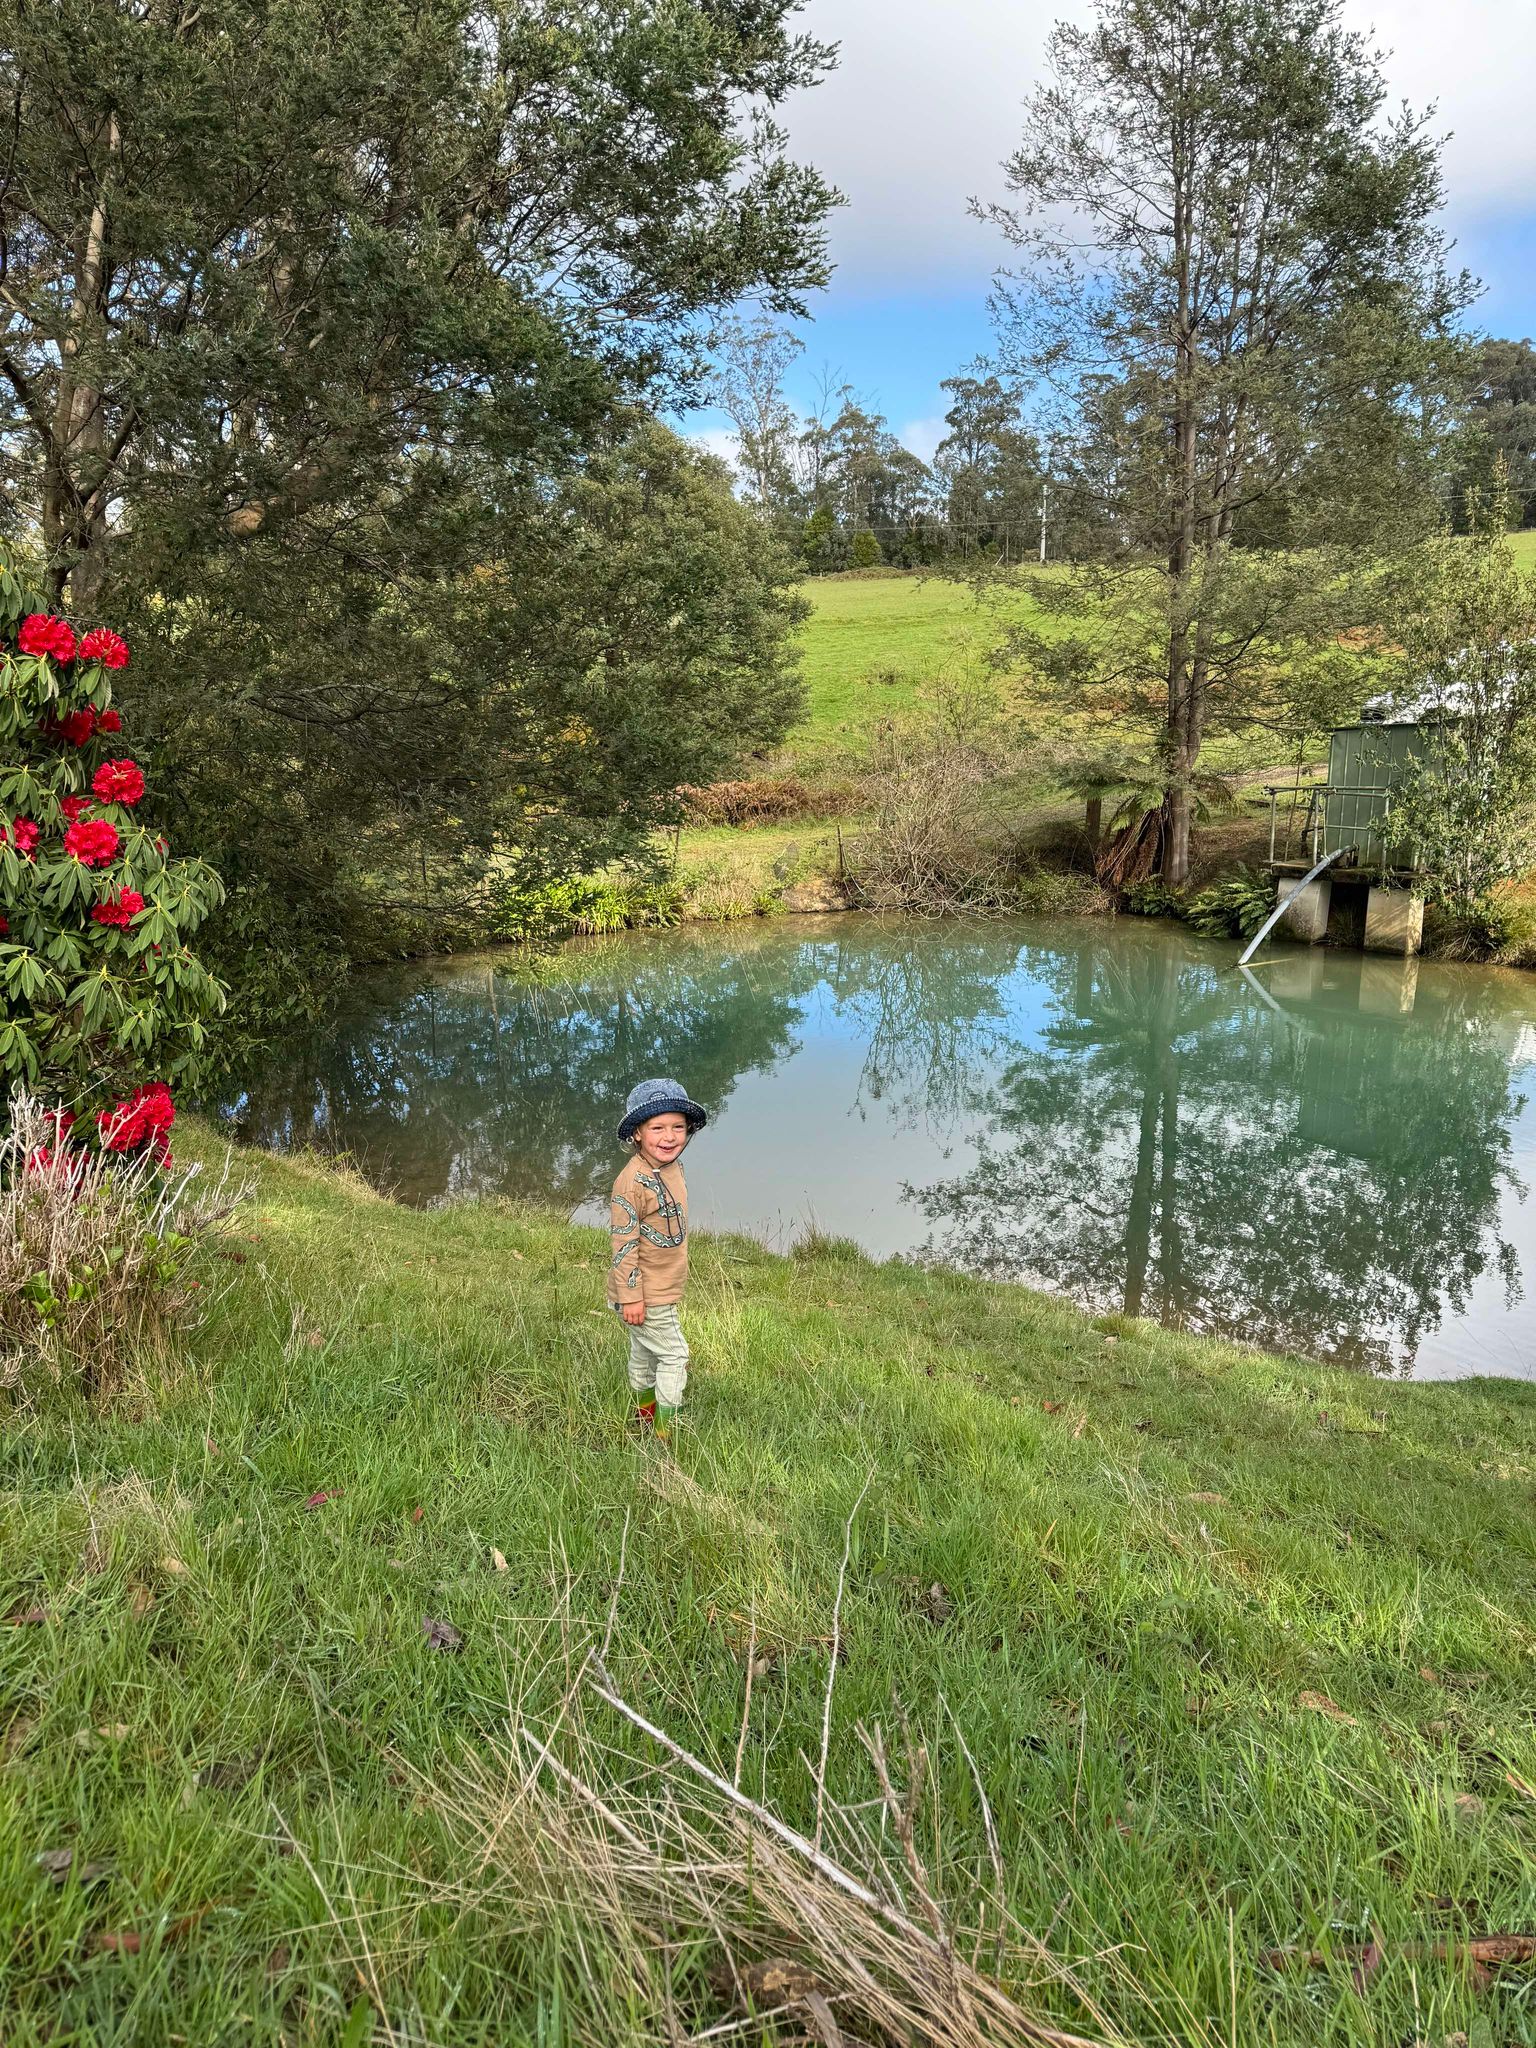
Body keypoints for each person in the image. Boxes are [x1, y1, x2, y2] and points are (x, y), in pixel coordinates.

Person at [608, 1077, 707, 1440]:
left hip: (661, 1286)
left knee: (646, 1353)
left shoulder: (671, 1167)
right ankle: (664, 1434)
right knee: (675, 1355)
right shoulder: (631, 1183)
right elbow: (623, 1245)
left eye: (678, 1127)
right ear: (637, 1133)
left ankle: (644, 1418)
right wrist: (631, 1297)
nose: (669, 1137)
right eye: (658, 1128)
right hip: (645, 1293)